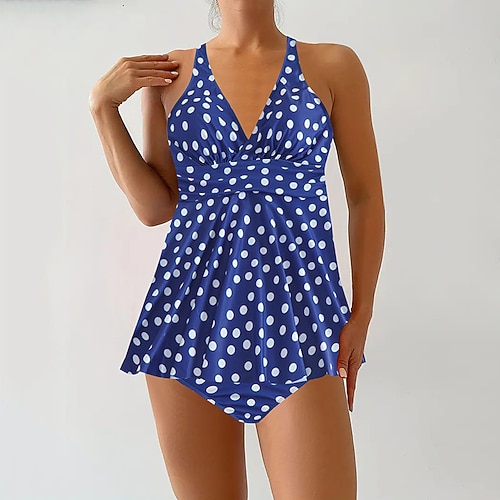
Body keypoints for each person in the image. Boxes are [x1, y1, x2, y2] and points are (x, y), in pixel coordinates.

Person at [89, 0, 385, 498]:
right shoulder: (170, 72)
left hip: (301, 320)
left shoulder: (334, 64)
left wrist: (362, 314)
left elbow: (365, 196)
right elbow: (156, 207)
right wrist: (102, 108)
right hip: (189, 320)